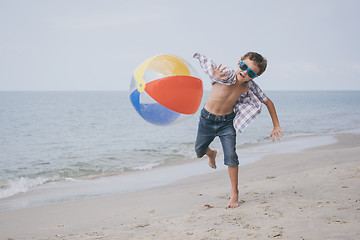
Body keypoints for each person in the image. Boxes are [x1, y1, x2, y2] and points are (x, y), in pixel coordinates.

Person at [193, 52, 283, 208]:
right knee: (199, 151)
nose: (244, 72)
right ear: (239, 62)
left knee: (231, 156)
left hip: (226, 123)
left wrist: (276, 125)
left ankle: (234, 192)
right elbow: (212, 72)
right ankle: (211, 153)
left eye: (251, 73)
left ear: (255, 77)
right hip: (207, 119)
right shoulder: (226, 73)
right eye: (243, 66)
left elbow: (268, 102)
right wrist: (214, 74)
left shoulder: (250, 86)